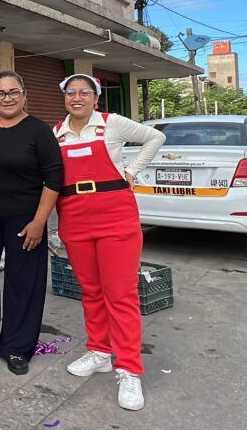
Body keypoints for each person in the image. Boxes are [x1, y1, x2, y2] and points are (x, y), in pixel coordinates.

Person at [53, 74, 165, 411]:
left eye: (84, 92)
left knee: (121, 294)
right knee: (90, 289)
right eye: (71, 93)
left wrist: (132, 171)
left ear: (95, 98)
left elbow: (155, 137)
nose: (77, 97)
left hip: (116, 214)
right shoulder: (55, 132)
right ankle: (99, 351)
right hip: (74, 214)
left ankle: (129, 368)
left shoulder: (111, 123)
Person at [0, 71, 63, 374]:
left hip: (24, 220)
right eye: (0, 93)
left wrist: (39, 222)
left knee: (23, 282)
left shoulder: (38, 131)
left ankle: (17, 347)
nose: (7, 99)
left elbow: (54, 178)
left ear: (24, 94)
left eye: (13, 92)